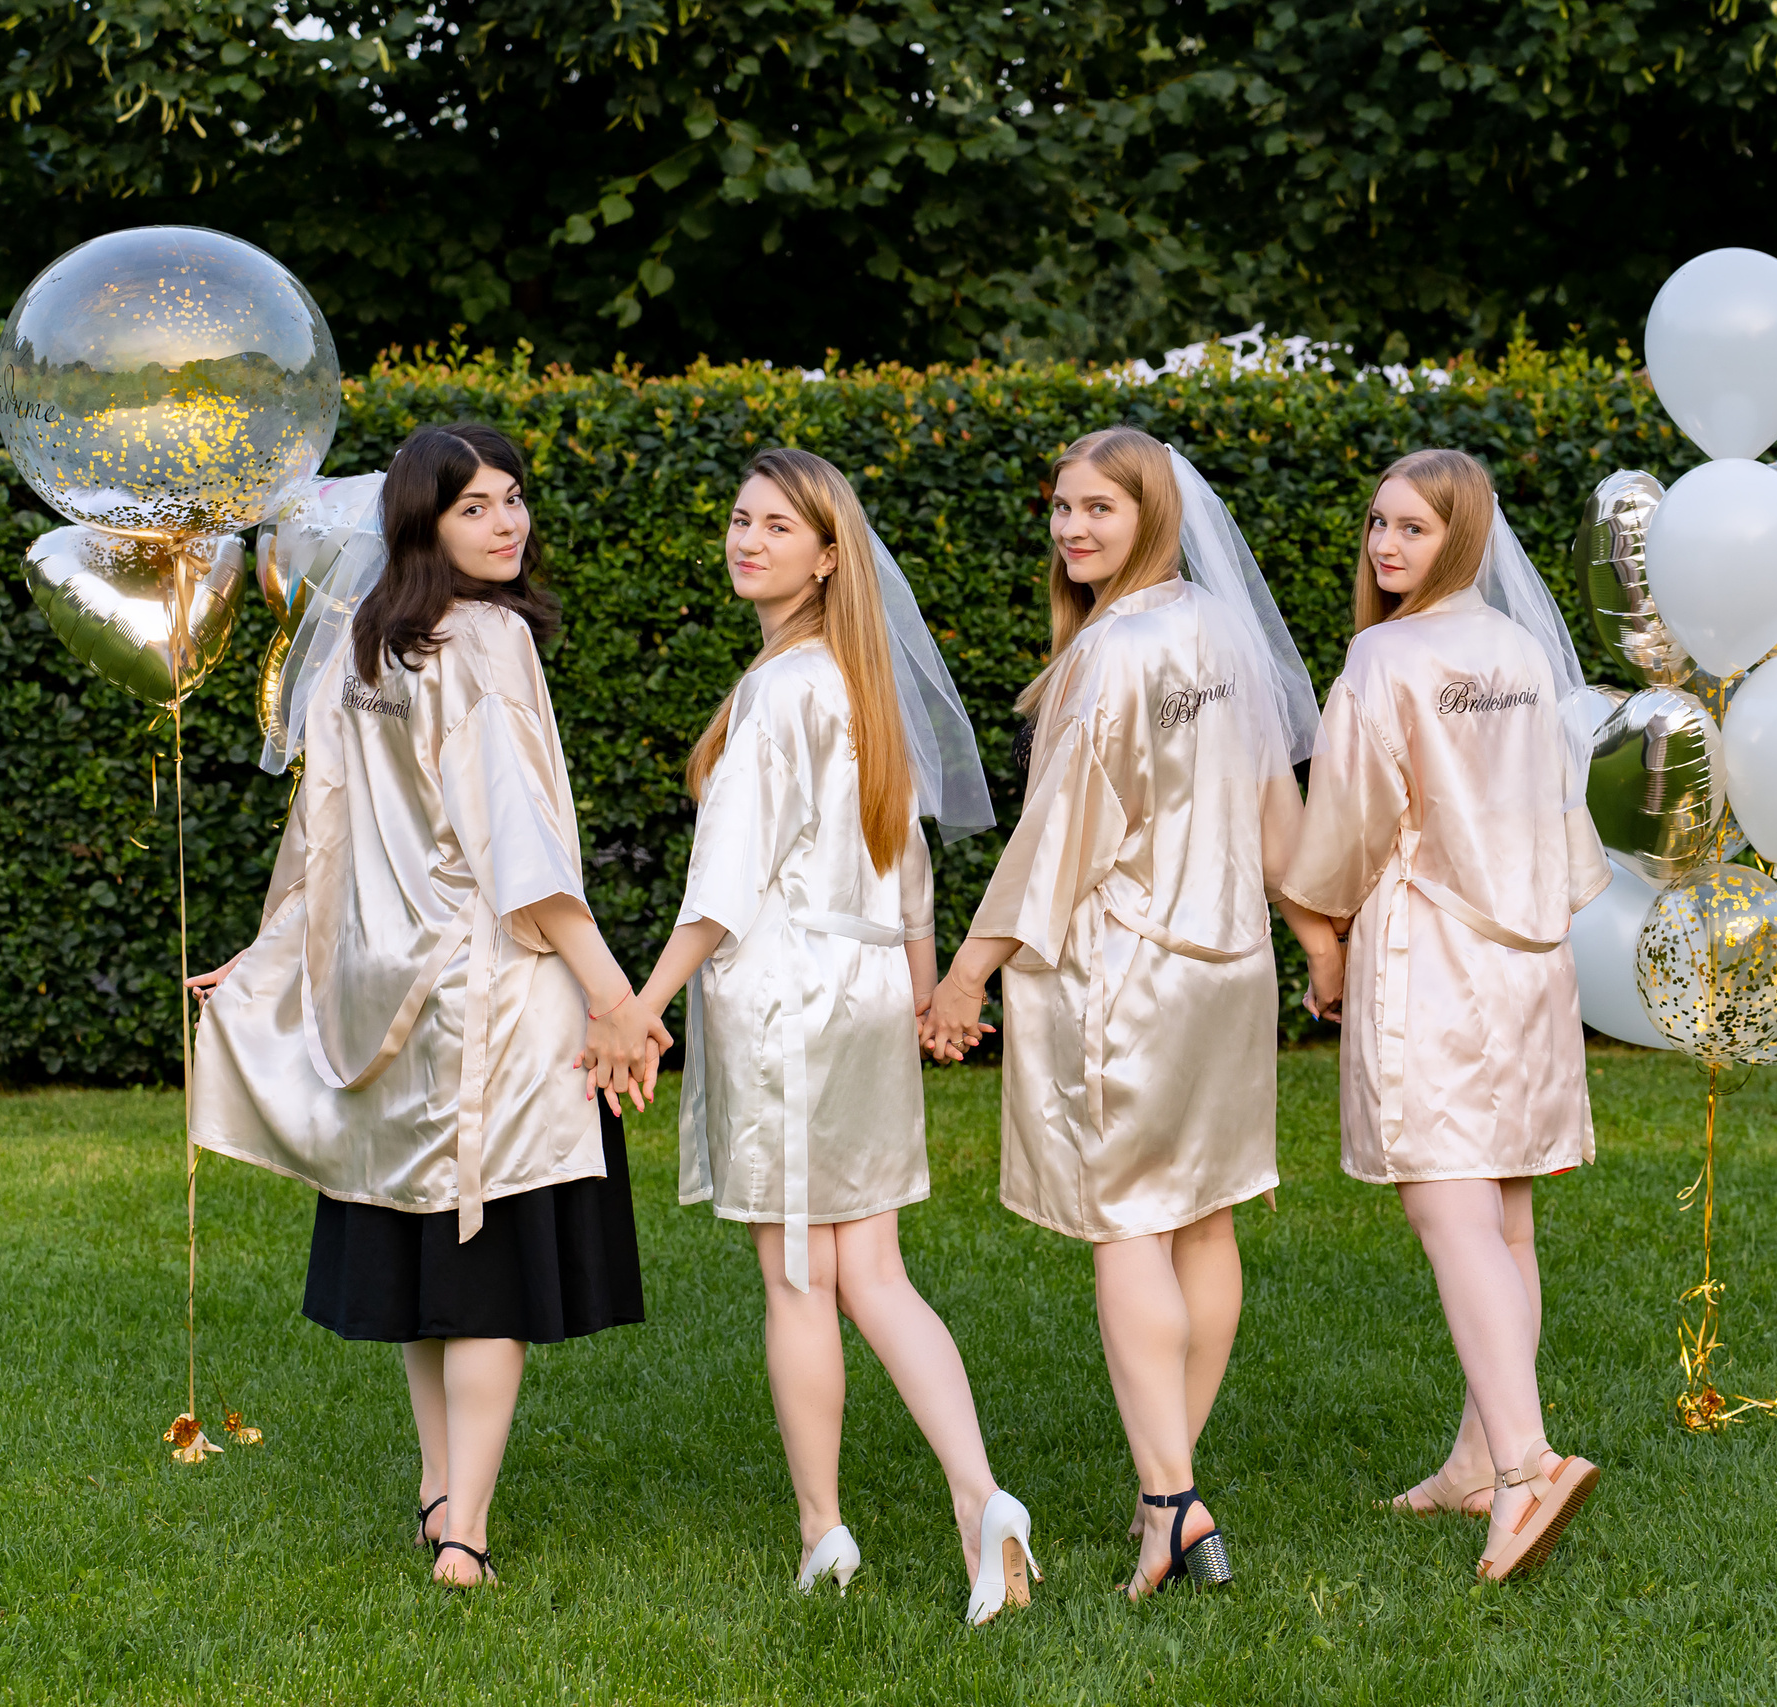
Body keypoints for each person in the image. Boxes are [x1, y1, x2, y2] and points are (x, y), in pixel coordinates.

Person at [187, 423, 663, 1589]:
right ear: (421, 525)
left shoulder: (363, 648)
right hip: (491, 1004)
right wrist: (620, 1001)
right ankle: (465, 1535)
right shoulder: (488, 641)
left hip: (383, 996)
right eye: (476, 508)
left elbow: (320, 838)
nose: (507, 524)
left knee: (420, 1267)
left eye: (513, 499)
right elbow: (523, 855)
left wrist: (267, 956)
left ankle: (437, 1493)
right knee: (486, 1269)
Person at [922, 426, 1329, 1599]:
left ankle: (1169, 1499)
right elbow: (1272, 795)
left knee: (1130, 1227)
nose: (1070, 529)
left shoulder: (1114, 654)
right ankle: (1174, 1488)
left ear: (1152, 512)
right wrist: (1309, 934)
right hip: (1226, 965)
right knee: (1204, 1221)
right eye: (1059, 508)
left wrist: (966, 973)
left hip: (1129, 972)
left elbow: (1057, 842)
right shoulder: (1219, 629)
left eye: (1097, 507)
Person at [631, 448, 1036, 1625]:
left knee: (800, 1276)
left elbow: (723, 885)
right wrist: (919, 995)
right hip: (859, 991)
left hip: (791, 1000)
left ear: (825, 557)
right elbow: (906, 870)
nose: (746, 538)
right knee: (873, 1269)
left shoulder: (780, 692)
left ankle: (826, 1530)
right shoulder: (863, 687)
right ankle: (978, 1504)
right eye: (739, 517)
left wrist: (639, 1003)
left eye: (775, 525)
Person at [1281, 447, 1613, 1582]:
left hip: (1431, 952)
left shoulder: (1385, 657)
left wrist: (1316, 920)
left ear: (1461, 537)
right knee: (1506, 1214)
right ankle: (1479, 1454)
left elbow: (1349, 823)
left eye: (1412, 530)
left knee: (1445, 1207)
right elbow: (1562, 824)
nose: (1384, 547)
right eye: (1377, 523)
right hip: (1527, 958)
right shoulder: (1519, 651)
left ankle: (1524, 1467)